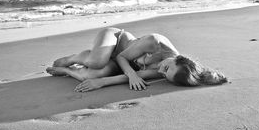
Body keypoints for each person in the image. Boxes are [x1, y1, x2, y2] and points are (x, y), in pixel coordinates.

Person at [46, 27, 227, 92]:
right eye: (167, 68)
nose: (161, 71)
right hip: (115, 40)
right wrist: (133, 74)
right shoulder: (155, 42)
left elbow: (128, 77)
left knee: (91, 77)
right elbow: (121, 56)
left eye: (165, 75)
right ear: (178, 59)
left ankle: (67, 70)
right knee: (97, 62)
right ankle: (74, 58)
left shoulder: (170, 71)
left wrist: (100, 83)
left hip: (119, 63)